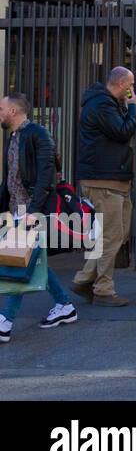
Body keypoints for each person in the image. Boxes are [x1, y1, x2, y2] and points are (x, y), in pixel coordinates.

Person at [0, 92, 77, 341]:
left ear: (13, 111)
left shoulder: (38, 134)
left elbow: (47, 174)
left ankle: (6, 321)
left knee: (17, 261)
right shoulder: (12, 137)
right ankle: (64, 306)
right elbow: (10, 178)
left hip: (30, 211)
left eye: (1, 109)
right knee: (36, 260)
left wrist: (33, 210)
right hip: (17, 210)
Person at [69, 66, 136, 307]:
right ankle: (103, 289)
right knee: (110, 236)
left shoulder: (108, 104)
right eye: (130, 84)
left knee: (116, 234)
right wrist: (134, 109)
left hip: (114, 178)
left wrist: (127, 108)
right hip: (103, 180)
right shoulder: (101, 105)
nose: (132, 89)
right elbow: (122, 132)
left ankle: (83, 279)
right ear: (122, 83)